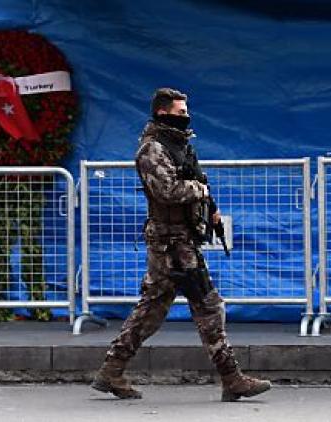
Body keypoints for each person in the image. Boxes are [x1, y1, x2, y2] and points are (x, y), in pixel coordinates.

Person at [91, 88, 271, 402]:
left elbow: (194, 182)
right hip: (171, 243)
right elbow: (168, 191)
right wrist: (199, 191)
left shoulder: (179, 145)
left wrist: (209, 209)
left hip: (179, 239)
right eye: (179, 111)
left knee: (152, 310)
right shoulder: (152, 149)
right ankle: (232, 378)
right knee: (208, 305)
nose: (185, 116)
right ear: (162, 113)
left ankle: (111, 371)